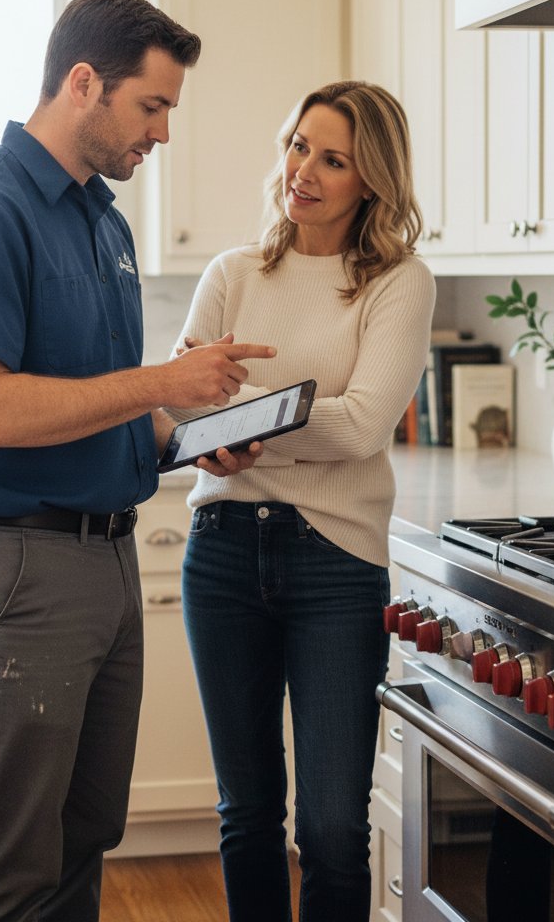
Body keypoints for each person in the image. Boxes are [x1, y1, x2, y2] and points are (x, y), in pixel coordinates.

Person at [0, 0, 276, 922]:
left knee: (83, 836)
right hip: (17, 569)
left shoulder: (103, 222)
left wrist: (193, 440)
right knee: (7, 858)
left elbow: (97, 406)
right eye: (151, 107)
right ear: (83, 84)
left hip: (104, 559)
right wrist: (160, 384)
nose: (161, 133)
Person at [173, 80, 436, 921]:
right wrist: (235, 420)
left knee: (330, 824)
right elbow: (183, 402)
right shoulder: (232, 273)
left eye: (333, 159)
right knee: (246, 814)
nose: (305, 172)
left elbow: (361, 427)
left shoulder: (397, 283)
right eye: (298, 147)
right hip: (219, 551)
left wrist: (245, 423)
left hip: (335, 565)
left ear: (373, 181)